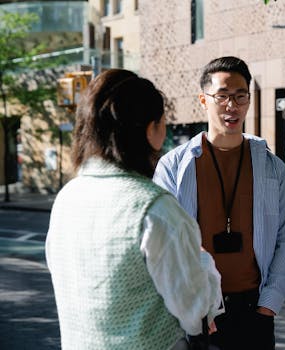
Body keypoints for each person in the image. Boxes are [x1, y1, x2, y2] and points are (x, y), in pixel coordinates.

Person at [46, 69, 223, 350]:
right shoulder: (156, 209)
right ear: (150, 130)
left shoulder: (67, 198)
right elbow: (194, 311)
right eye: (163, 122)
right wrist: (204, 263)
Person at [153, 56, 285, 350]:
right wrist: (192, 307)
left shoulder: (271, 166)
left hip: (255, 310)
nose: (232, 106)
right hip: (197, 310)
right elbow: (164, 242)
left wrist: (269, 304)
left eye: (240, 96)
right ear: (203, 100)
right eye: (222, 96)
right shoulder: (174, 166)